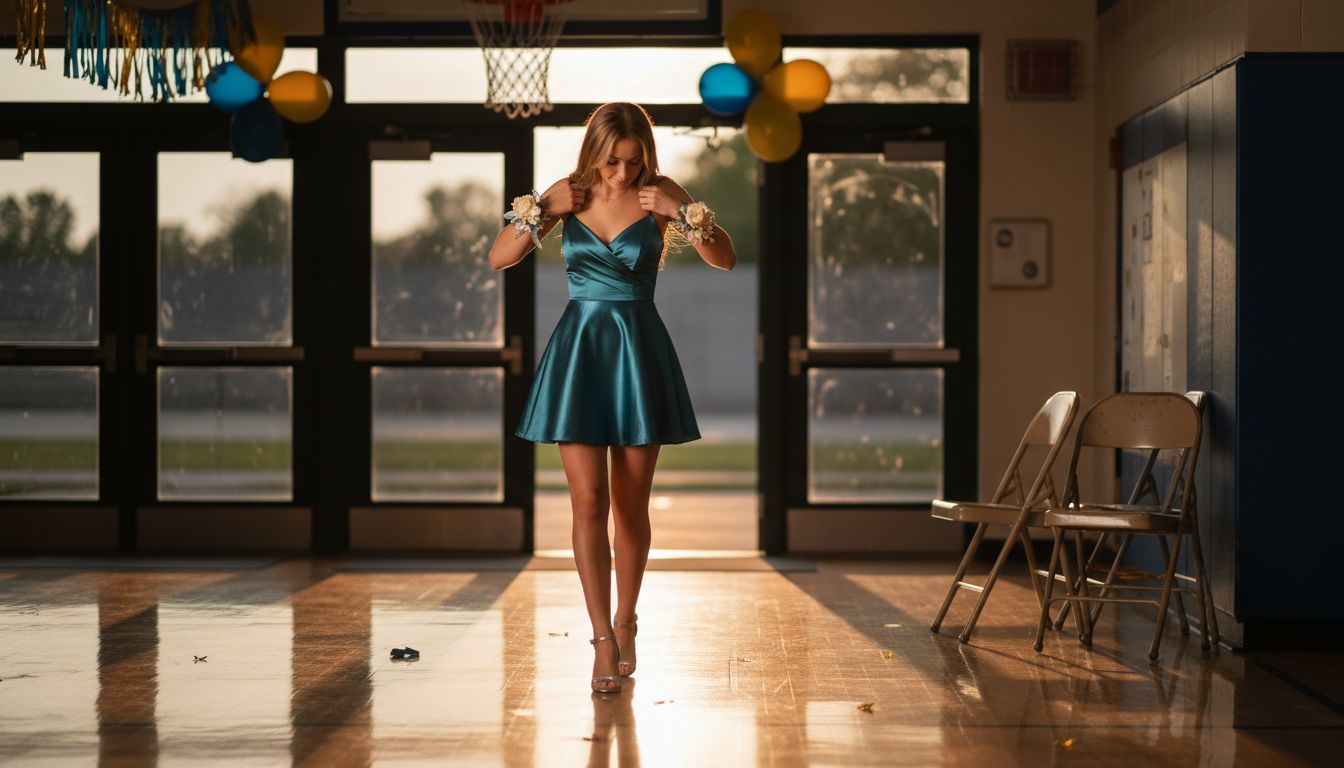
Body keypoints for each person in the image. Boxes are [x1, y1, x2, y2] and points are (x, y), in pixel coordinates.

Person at [488, 102, 736, 693]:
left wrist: (684, 214)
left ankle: (627, 618)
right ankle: (601, 636)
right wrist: (541, 209)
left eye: (632, 161)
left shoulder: (663, 192)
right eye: (612, 162)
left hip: (637, 352)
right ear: (592, 154)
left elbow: (724, 258)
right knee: (587, 505)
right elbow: (499, 257)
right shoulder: (568, 194)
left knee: (631, 507)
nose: (622, 175)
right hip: (580, 353)